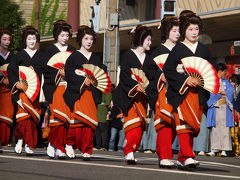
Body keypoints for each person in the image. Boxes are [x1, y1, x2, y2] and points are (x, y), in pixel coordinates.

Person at [163, 10, 216, 169]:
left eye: (196, 29)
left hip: (198, 94)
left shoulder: (204, 50)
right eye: (190, 29)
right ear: (184, 30)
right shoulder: (178, 49)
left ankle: (182, 158)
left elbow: (210, 70)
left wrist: (207, 82)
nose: (194, 33)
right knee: (184, 124)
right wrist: (186, 79)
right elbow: (168, 70)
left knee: (193, 127)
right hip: (183, 93)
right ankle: (188, 156)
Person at [63, 25, 107, 161]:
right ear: (81, 39)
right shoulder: (73, 57)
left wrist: (94, 81)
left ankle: (87, 149)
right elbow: (69, 74)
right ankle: (69, 144)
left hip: (91, 94)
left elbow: (101, 75)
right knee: (76, 122)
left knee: (89, 124)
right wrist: (82, 81)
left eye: (91, 39)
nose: (89, 41)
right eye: (86, 38)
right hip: (79, 93)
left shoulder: (96, 59)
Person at [114, 25, 152, 164]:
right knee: (133, 125)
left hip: (143, 98)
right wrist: (135, 85)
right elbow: (124, 75)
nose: (150, 42)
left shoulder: (149, 58)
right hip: (129, 96)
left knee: (141, 125)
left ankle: (131, 148)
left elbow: (151, 77)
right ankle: (129, 151)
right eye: (148, 39)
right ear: (141, 40)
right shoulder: (128, 55)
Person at [146, 16, 180, 168]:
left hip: (180, 92)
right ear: (167, 32)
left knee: (175, 124)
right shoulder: (158, 51)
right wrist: (160, 76)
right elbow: (148, 71)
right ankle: (165, 155)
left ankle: (162, 152)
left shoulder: (182, 50)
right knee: (165, 123)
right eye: (174, 30)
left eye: (179, 31)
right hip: (163, 91)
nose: (177, 33)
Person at [42, 20, 75, 159]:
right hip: (54, 87)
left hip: (68, 88)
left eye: (67, 35)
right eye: (62, 35)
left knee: (66, 119)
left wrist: (67, 74)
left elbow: (76, 69)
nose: (65, 38)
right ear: (57, 35)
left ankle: (61, 147)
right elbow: (46, 69)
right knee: (56, 118)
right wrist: (58, 74)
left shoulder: (72, 50)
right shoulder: (50, 50)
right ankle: (52, 144)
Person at [7, 26, 43, 155]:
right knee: (23, 120)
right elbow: (11, 71)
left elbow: (45, 74)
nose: (32, 41)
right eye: (29, 38)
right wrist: (17, 83)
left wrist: (36, 72)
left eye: (34, 38)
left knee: (32, 121)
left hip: (34, 92)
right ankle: (20, 140)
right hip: (22, 92)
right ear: (25, 40)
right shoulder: (19, 56)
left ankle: (28, 144)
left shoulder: (41, 56)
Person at [206, 63, 234, 157]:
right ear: (219, 72)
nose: (226, 73)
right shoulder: (211, 82)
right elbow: (210, 94)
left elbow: (230, 92)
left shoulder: (227, 83)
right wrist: (219, 94)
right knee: (215, 130)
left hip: (225, 108)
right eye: (225, 71)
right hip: (215, 107)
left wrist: (224, 93)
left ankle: (224, 150)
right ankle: (213, 149)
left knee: (225, 130)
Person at [0, 27, 15, 152]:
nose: (6, 42)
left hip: (9, 88)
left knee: (7, 114)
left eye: (8, 39)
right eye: (4, 39)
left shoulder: (13, 56)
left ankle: (5, 139)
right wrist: (2, 79)